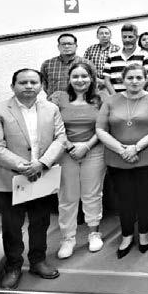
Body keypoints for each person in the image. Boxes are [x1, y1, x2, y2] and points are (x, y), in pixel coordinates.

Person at [0, 69, 66, 289]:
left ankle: (38, 261)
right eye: (23, 82)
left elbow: (61, 138)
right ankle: (13, 266)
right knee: (12, 226)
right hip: (9, 178)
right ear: (13, 86)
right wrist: (24, 167)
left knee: (41, 222)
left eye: (33, 82)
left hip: (42, 175)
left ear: (41, 85)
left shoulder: (51, 109)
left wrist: (42, 163)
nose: (29, 86)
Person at [96, 63, 148, 258]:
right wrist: (122, 150)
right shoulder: (111, 100)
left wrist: (136, 148)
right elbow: (100, 129)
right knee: (124, 198)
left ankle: (144, 233)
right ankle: (127, 235)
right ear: (123, 80)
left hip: (147, 156)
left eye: (138, 77)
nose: (134, 81)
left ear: (145, 79)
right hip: (117, 158)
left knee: (144, 197)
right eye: (130, 78)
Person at [49, 62, 105, 260]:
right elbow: (53, 125)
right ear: (69, 79)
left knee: (92, 194)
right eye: (75, 76)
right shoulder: (59, 97)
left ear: (91, 79)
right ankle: (68, 238)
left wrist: (86, 146)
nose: (80, 80)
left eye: (84, 76)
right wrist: (69, 146)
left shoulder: (100, 98)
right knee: (67, 197)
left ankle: (94, 233)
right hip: (65, 152)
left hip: (94, 150)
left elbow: (103, 126)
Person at [103, 24, 148, 95]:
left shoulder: (145, 56)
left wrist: (135, 94)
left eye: (130, 37)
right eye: (124, 37)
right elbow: (107, 80)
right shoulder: (112, 56)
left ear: (137, 37)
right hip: (116, 97)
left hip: (137, 98)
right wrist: (115, 96)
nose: (127, 40)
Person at [84, 26, 121, 92]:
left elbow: (120, 68)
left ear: (110, 35)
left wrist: (107, 81)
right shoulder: (90, 49)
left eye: (106, 33)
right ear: (97, 36)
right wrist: (97, 80)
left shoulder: (117, 49)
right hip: (94, 84)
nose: (104, 35)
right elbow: (84, 67)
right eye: (101, 33)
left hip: (112, 85)